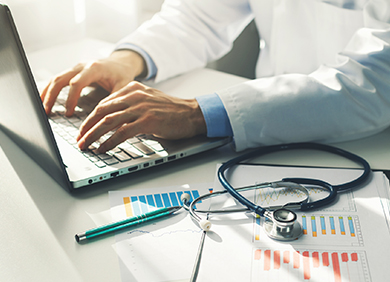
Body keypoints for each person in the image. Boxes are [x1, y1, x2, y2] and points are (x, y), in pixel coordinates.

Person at [41, 0, 390, 154]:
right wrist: (126, 60)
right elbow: (198, 17)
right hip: (261, 140)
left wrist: (198, 114)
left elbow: (372, 84)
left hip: (367, 149)